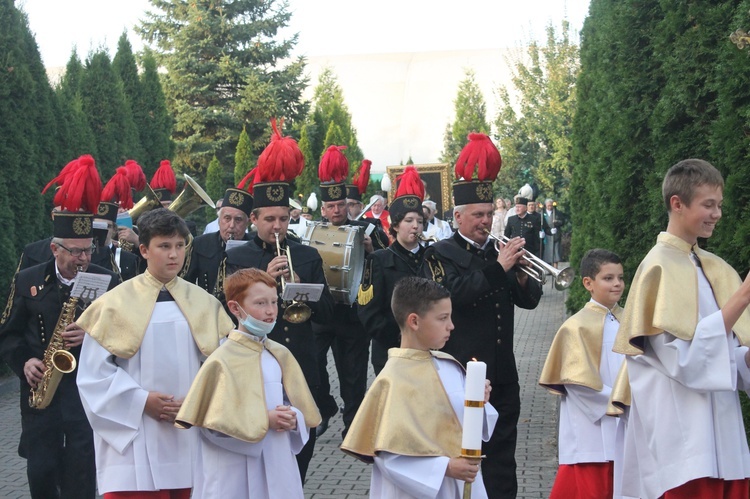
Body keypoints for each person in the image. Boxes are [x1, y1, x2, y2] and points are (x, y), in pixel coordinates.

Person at [613, 158, 750, 499]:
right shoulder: (657, 267)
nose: (716, 214)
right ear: (677, 203)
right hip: (686, 439)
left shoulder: (712, 267)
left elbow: (724, 353)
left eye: (719, 205)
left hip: (724, 436)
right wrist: (743, 296)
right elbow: (682, 361)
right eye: (708, 204)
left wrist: (745, 360)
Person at [75, 209, 234, 498]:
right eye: (164, 246)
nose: (174, 255)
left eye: (180, 246)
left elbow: (224, 367)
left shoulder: (206, 304)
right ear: (145, 250)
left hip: (190, 431)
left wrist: (198, 402)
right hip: (135, 433)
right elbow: (92, 375)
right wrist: (141, 402)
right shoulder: (113, 304)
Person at [423, 133, 542, 499]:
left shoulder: (498, 251)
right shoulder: (439, 254)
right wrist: (500, 268)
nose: (486, 221)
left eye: (490, 214)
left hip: (503, 372)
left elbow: (530, 301)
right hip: (460, 372)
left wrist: (520, 272)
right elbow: (450, 296)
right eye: (478, 215)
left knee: (503, 459)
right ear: (458, 216)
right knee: (464, 454)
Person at [0, 155, 119, 499]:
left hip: (85, 392)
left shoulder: (107, 279)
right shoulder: (29, 279)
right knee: (41, 471)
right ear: (54, 248)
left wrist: (93, 337)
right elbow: (8, 333)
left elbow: (126, 334)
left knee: (82, 472)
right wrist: (24, 362)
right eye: (75, 252)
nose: (84, 259)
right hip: (40, 391)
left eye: (88, 250)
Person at [225, 121, 335, 482]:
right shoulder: (238, 256)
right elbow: (227, 311)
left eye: (283, 219)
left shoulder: (306, 256)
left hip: (301, 362)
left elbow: (329, 315)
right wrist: (267, 281)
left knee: (300, 455)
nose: (277, 227)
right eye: (269, 219)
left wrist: (300, 286)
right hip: (253, 366)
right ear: (253, 218)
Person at [342, 276, 498, 498]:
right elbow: (388, 455)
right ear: (414, 321)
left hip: (459, 483)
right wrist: (446, 468)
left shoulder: (450, 366)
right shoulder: (392, 380)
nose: (451, 326)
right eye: (443, 318)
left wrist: (478, 402)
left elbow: (467, 427)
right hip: (418, 488)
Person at [174, 268, 321, 498]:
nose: (271, 311)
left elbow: (294, 403)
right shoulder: (221, 360)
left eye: (274, 302)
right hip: (231, 468)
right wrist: (264, 420)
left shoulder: (279, 354)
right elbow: (210, 424)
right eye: (260, 303)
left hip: (276, 457)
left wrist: (293, 417)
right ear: (235, 308)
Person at [314, 145, 389, 439]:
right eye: (330, 207)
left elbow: (387, 260)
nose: (336, 211)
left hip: (354, 313)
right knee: (313, 364)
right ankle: (325, 406)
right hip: (322, 311)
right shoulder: (312, 231)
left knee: (353, 375)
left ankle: (353, 426)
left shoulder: (367, 230)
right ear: (323, 209)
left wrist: (372, 251)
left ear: (348, 206)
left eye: (341, 206)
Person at [539, 249, 625, 498]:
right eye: (608, 278)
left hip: (628, 423)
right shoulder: (576, 326)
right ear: (588, 283)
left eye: (620, 277)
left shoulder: (629, 320)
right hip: (593, 430)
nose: (617, 283)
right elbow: (577, 384)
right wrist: (623, 400)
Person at [358, 166, 427, 375]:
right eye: (409, 221)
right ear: (395, 226)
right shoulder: (378, 259)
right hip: (391, 353)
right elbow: (368, 312)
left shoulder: (432, 257)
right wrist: (400, 337)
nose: (415, 226)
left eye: (420, 221)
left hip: (427, 350)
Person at [181, 184, 253, 304]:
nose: (231, 225)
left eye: (238, 220)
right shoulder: (200, 243)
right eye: (227, 218)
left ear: (247, 223)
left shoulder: (254, 246)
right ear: (219, 221)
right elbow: (186, 281)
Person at [542, 199, 566, 268]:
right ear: (546, 205)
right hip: (546, 235)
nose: (550, 207)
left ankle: (555, 268)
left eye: (551, 205)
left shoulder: (557, 212)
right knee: (547, 252)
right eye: (548, 205)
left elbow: (562, 221)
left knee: (556, 252)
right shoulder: (542, 213)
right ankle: (549, 268)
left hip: (556, 235)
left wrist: (557, 222)